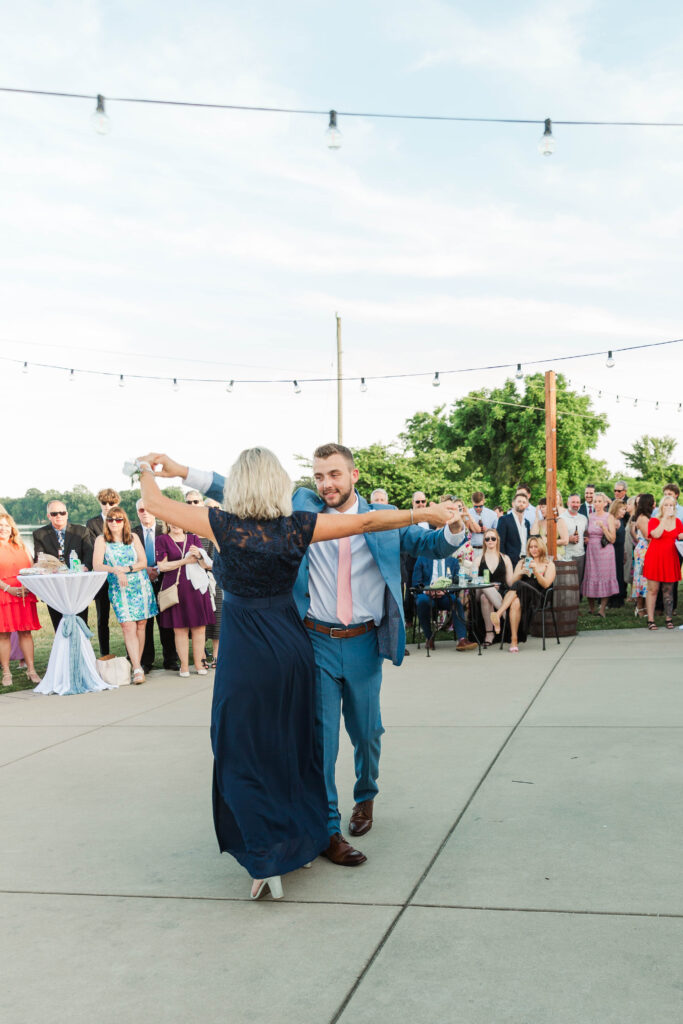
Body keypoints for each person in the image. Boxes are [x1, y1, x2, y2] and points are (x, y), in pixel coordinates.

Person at [136, 448, 460, 901]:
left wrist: (144, 475)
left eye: (333, 474)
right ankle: (320, 834)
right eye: (318, 475)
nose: (325, 483)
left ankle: (324, 819)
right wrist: (181, 470)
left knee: (320, 740)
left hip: (309, 645)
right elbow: (249, 493)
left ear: (352, 475)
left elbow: (426, 542)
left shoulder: (233, 524)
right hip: (305, 643)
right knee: (309, 743)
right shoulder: (300, 517)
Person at [92, 506, 158, 685]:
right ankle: (137, 668)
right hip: (119, 588)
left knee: (141, 625)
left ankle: (137, 664)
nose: (114, 522)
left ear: (124, 522)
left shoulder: (133, 538)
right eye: (111, 519)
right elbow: (97, 565)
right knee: (128, 626)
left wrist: (127, 569)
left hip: (140, 585)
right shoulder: (101, 540)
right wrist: (116, 570)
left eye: (118, 519)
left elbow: (143, 562)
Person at [156, 520, 215, 676]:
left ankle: (199, 664)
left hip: (196, 588)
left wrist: (199, 555)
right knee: (180, 628)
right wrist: (185, 561)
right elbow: (162, 566)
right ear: (167, 523)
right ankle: (184, 666)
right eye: (172, 522)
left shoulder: (194, 538)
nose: (175, 524)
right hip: (175, 589)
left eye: (178, 521)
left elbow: (206, 565)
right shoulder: (162, 539)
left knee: (199, 628)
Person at [132, 499, 180, 673]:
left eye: (148, 508)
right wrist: (146, 570)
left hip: (164, 580)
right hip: (140, 582)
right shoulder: (132, 533)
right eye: (141, 510)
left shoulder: (164, 531)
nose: (145, 512)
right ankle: (146, 661)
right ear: (137, 512)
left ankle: (171, 659)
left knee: (166, 620)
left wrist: (158, 570)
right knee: (145, 622)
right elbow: (130, 557)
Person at [32, 500, 92, 631]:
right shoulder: (39, 534)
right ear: (48, 516)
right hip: (54, 587)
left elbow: (89, 554)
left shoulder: (81, 531)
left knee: (81, 622)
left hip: (77, 586)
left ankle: (81, 649)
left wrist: (86, 566)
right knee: (59, 625)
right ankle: (62, 650)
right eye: (54, 513)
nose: (58, 516)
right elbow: (39, 558)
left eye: (62, 512)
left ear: (67, 514)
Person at [490, 536, 555, 652]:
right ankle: (514, 640)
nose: (533, 549)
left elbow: (546, 584)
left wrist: (536, 571)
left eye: (536, 547)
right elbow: (512, 582)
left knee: (520, 584)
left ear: (541, 548)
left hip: (538, 596)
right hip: (520, 595)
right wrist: (521, 571)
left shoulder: (549, 564)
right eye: (531, 547)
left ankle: (499, 614)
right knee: (515, 602)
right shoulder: (522, 562)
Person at [0, 509, 41, 687]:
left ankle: (31, 670)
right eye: (0, 526)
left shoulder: (22, 546)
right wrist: (9, 588)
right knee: (3, 635)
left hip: (24, 594)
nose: (3, 529)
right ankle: (7, 672)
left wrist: (27, 584)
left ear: (12, 528)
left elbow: (32, 567)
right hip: (3, 594)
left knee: (25, 632)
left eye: (6, 526)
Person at [412, 555, 475, 651]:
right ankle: (429, 637)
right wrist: (428, 591)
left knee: (456, 602)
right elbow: (416, 583)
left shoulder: (453, 561)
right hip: (427, 595)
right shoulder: (422, 558)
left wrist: (446, 590)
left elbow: (456, 581)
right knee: (422, 602)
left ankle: (462, 639)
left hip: (445, 595)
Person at [86, 488, 121, 656]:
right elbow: (94, 549)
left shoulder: (122, 520)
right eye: (104, 503)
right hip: (102, 577)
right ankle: (104, 653)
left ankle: (135, 655)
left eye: (112, 503)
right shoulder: (92, 523)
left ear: (117, 503)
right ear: (100, 503)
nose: (108, 506)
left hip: (121, 575)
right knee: (102, 619)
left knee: (127, 619)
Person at [643, 494, 683, 630]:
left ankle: (668, 618)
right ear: (661, 507)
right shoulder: (654, 520)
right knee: (653, 589)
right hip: (655, 558)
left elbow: (680, 535)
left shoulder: (678, 522)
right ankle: (650, 619)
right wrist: (665, 518)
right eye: (666, 505)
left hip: (671, 558)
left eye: (671, 505)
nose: (668, 507)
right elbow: (656, 534)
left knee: (669, 590)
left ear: (674, 507)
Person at [474, 528, 513, 647]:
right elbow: (474, 581)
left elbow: (510, 582)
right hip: (479, 590)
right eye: (487, 539)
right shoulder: (478, 559)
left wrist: (521, 572)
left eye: (493, 538)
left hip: (500, 592)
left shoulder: (505, 558)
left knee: (486, 598)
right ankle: (507, 617)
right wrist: (490, 586)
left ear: (497, 540)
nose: (490, 540)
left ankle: (489, 633)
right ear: (484, 541)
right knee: (485, 589)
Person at [582, 492, 618, 617]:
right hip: (591, 550)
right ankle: (591, 608)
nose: (597, 503)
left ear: (604, 503)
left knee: (604, 577)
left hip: (605, 551)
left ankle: (602, 609)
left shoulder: (609, 517)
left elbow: (612, 539)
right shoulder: (590, 516)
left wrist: (603, 527)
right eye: (595, 501)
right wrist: (586, 538)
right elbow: (588, 532)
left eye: (599, 501)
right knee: (590, 576)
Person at [202, 498, 223, 668]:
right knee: (200, 619)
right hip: (198, 581)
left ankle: (216, 656)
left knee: (217, 619)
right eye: (209, 507)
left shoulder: (225, 531)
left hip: (218, 581)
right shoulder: (195, 531)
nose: (214, 510)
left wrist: (208, 564)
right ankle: (202, 656)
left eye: (217, 507)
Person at [631, 493, 654, 619]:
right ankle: (639, 607)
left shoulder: (647, 516)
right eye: (653, 501)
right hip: (644, 551)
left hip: (647, 549)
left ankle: (645, 607)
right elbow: (648, 536)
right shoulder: (643, 518)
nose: (655, 503)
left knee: (647, 579)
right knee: (641, 578)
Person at [560, 494, 588, 589]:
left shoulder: (583, 518)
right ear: (568, 503)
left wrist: (586, 538)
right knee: (566, 582)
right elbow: (556, 538)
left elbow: (586, 533)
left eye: (577, 502)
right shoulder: (561, 518)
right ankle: (567, 603)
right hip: (566, 555)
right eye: (573, 502)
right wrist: (568, 539)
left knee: (578, 581)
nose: (575, 504)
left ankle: (577, 602)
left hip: (580, 555)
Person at [497, 491, 531, 564]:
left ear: (527, 505)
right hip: (510, 561)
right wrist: (504, 561)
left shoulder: (527, 523)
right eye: (519, 501)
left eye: (524, 502)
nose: (521, 504)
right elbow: (500, 542)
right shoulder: (504, 520)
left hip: (526, 560)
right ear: (513, 503)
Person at [607, 499, 628, 608]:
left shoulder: (622, 521)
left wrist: (624, 552)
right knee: (613, 574)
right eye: (623, 509)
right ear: (616, 508)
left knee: (619, 574)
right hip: (612, 551)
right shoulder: (612, 521)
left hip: (620, 551)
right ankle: (613, 600)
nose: (624, 511)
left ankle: (619, 598)